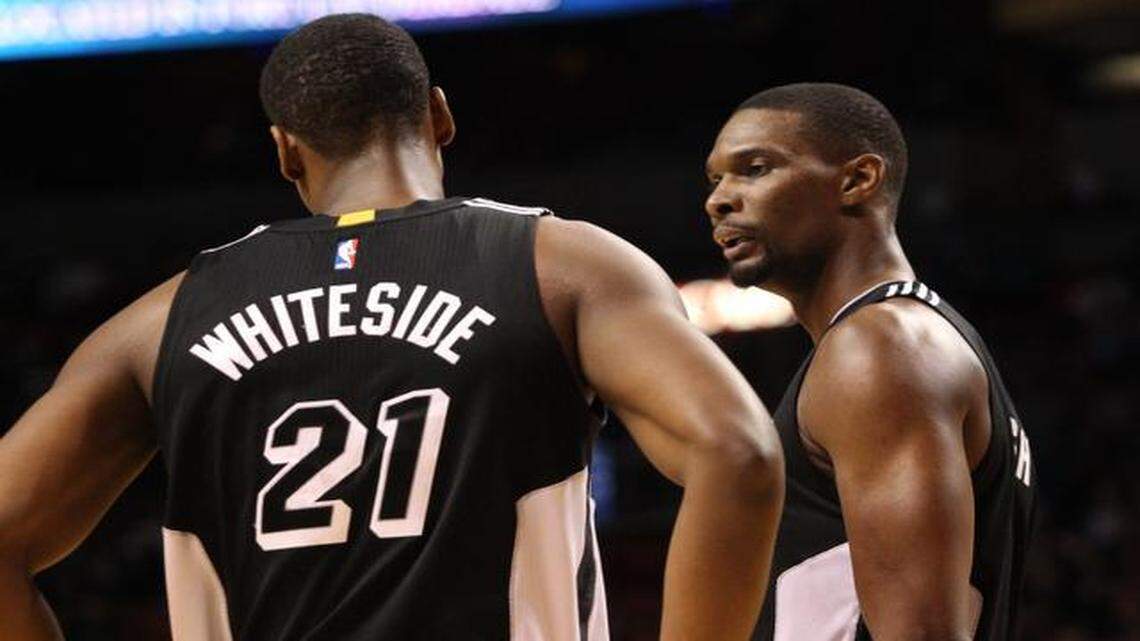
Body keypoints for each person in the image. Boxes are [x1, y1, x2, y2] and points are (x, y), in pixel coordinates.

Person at [0, 13, 784, 641]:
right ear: (439, 115)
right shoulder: (563, 265)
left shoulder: (158, 320)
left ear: (285, 152)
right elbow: (739, 451)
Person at [703, 83, 1036, 641]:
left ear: (859, 180)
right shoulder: (907, 339)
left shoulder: (881, 348)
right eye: (716, 180)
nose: (720, 199)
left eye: (754, 169)